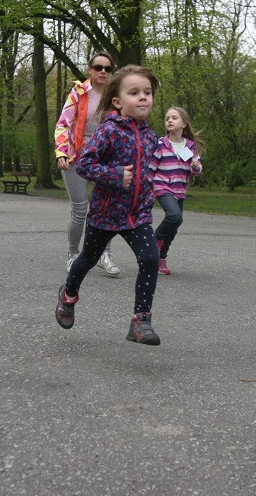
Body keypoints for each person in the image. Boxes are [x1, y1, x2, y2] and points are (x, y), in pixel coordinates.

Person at [55, 65, 162, 345]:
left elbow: (151, 172)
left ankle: (140, 321)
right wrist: (114, 175)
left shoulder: (151, 137)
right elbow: (85, 165)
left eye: (147, 93)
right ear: (117, 101)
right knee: (87, 260)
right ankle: (68, 294)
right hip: (105, 214)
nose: (143, 98)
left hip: (137, 215)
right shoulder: (109, 131)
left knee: (150, 259)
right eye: (134, 92)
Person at [54, 52, 121, 277]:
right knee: (81, 210)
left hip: (105, 159)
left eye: (108, 68)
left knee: (106, 209)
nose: (103, 71)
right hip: (78, 157)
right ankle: (73, 254)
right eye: (99, 67)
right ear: (90, 70)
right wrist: (61, 152)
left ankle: (104, 255)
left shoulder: (116, 96)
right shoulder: (79, 92)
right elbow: (63, 124)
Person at [149, 107, 204, 275]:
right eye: (167, 118)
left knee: (175, 224)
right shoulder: (161, 144)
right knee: (174, 216)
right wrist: (147, 189)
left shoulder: (188, 147)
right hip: (162, 186)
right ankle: (156, 239)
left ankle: (161, 258)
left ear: (183, 124)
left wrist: (196, 166)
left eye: (174, 118)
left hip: (179, 189)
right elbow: (151, 169)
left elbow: (196, 168)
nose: (170, 121)